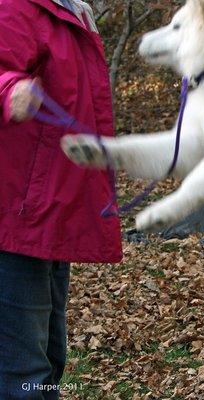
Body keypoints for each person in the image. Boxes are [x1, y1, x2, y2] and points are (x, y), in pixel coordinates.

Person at [0, 0, 122, 398]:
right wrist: (8, 89)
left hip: (47, 218)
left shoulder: (71, 13)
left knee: (49, 363)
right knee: (24, 373)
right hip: (14, 221)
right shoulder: (15, 7)